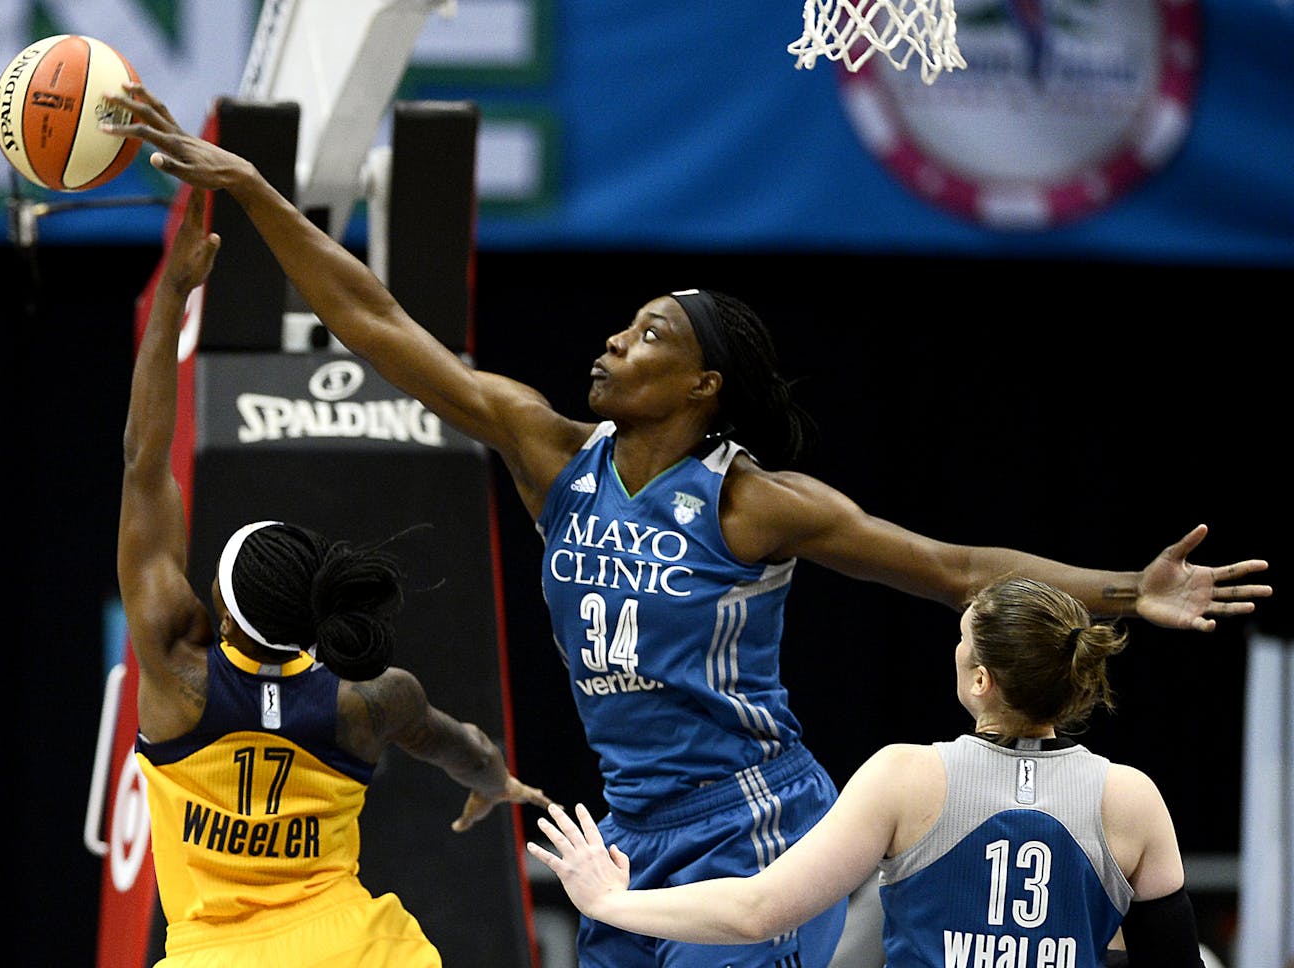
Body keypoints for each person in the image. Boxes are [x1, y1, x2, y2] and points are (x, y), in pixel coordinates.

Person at [104, 85, 1270, 968]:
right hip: (633, 828)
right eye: (622, 325)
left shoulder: (747, 500)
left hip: (757, 818)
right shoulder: (549, 451)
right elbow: (376, 320)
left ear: (706, 382)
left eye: (650, 331)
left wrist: (1129, 588)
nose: (615, 340)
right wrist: (255, 190)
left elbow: (954, 566)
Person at [117, 187, 552, 967]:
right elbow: (463, 746)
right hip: (360, 952)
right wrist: (495, 783)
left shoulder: (177, 674)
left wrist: (176, 296)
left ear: (217, 609)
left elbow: (144, 467)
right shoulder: (371, 700)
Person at [528, 575, 1208, 967]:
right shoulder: (1132, 798)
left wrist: (611, 902)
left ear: (980, 680)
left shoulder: (907, 779)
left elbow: (757, 910)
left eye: (961, 640)